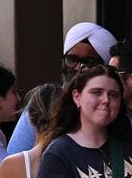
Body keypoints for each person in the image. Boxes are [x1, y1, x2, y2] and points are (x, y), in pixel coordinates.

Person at [7, 22, 117, 155]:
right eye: (72, 59)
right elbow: (16, 156)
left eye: (89, 62)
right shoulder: (45, 102)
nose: (79, 68)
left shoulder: (112, 107)